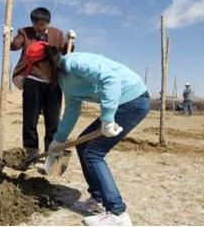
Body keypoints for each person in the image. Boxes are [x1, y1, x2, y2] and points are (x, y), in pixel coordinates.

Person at [27, 42, 149, 226]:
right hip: (121, 103)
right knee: (83, 145)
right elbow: (71, 111)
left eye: (35, 68)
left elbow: (110, 79)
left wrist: (107, 118)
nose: (35, 73)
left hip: (132, 100)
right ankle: (98, 198)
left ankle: (117, 213)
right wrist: (57, 141)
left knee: (93, 152)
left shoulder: (76, 63)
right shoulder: (63, 80)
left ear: (46, 62)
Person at [3, 6, 75, 158]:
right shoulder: (25, 32)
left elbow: (64, 50)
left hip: (53, 83)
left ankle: (51, 152)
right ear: (32, 23)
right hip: (32, 80)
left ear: (48, 23)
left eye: (43, 25)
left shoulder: (57, 33)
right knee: (30, 119)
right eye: (37, 25)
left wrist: (71, 41)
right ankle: (31, 151)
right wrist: (7, 36)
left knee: (53, 121)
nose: (40, 28)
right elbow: (14, 46)